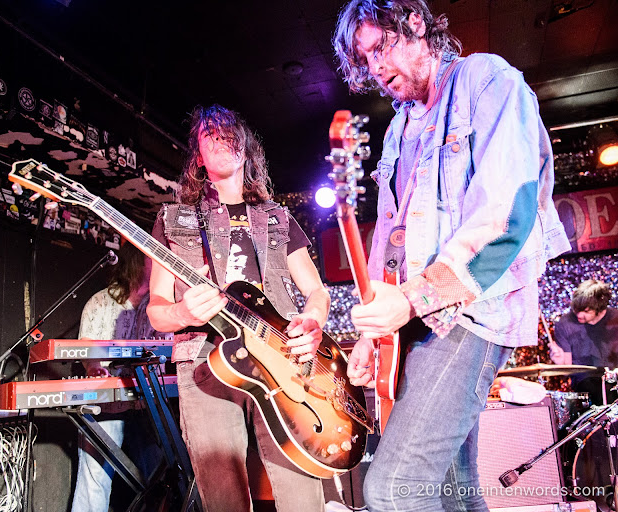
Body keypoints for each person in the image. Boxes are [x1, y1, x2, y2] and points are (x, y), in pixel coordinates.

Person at [333, 1, 571, 510]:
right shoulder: (398, 129)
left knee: (394, 490)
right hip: (419, 316)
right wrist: (372, 333)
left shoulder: (485, 79)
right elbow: (391, 240)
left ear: (415, 24)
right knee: (452, 492)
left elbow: (508, 212)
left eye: (382, 47)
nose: (375, 67)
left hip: (471, 311)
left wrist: (413, 298)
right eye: (365, 59)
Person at [146, 104, 330, 512]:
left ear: (246, 150)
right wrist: (183, 315)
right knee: (225, 500)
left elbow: (317, 291)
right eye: (208, 133)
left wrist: (313, 321)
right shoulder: (172, 219)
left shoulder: (278, 218)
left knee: (303, 497)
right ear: (197, 156)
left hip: (279, 361)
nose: (220, 138)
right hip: (203, 363)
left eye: (229, 132)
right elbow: (157, 308)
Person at [71, 243, 170, 512]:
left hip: (149, 404)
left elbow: (165, 353)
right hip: (107, 402)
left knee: (162, 480)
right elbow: (85, 348)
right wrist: (94, 368)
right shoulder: (100, 302)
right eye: (154, 261)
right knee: (95, 478)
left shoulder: (161, 310)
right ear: (137, 264)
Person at [550, 279, 618, 405]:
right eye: (576, 309)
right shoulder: (564, 324)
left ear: (600, 308)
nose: (579, 315)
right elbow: (567, 368)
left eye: (586, 311)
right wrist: (559, 362)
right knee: (597, 388)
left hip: (614, 377)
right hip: (586, 382)